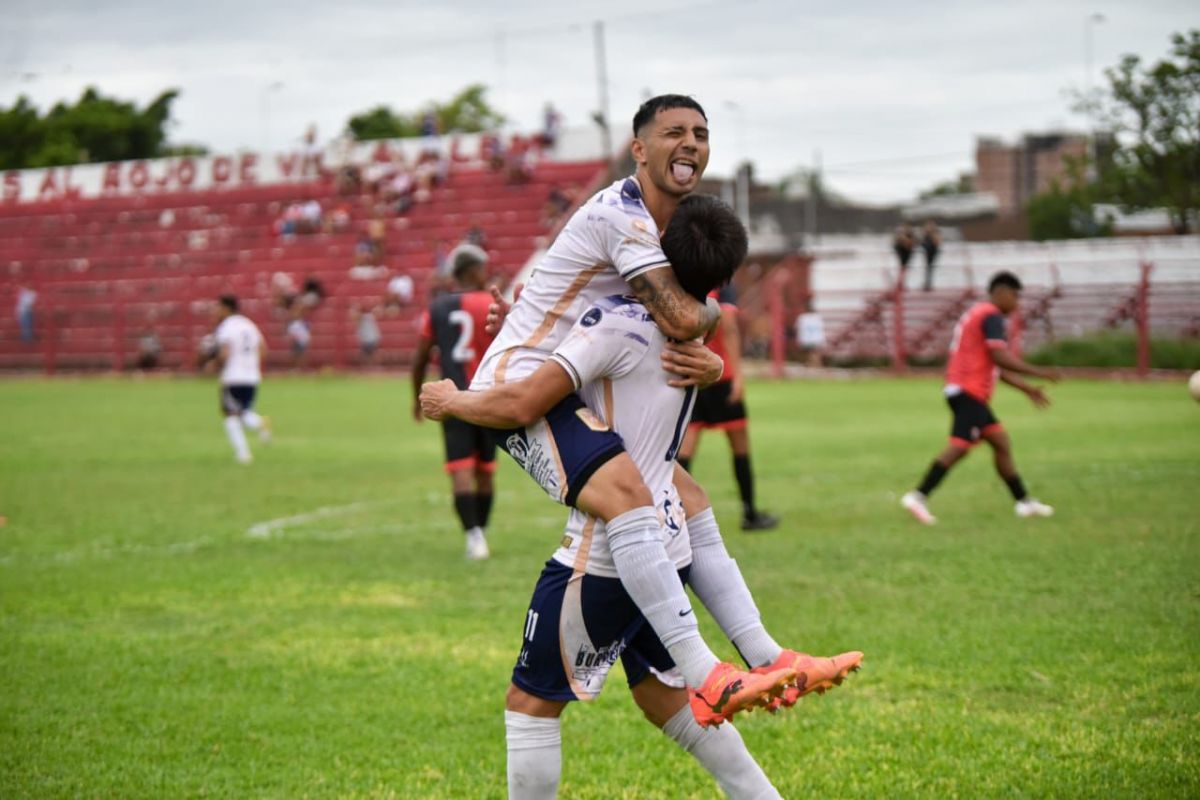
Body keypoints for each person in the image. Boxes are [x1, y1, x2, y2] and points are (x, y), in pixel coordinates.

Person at [423, 195, 861, 798]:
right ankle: (762, 693)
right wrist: (528, 319)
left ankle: (718, 669)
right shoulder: (691, 332)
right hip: (670, 543)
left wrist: (450, 400)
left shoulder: (617, 323)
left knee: (529, 704)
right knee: (664, 700)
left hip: (611, 556)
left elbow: (523, 402)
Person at [468, 94, 845, 728]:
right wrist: (713, 327)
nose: (691, 142)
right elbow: (678, 315)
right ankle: (711, 675)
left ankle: (768, 657)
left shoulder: (677, 230)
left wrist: (713, 355)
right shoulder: (625, 216)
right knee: (628, 496)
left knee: (685, 494)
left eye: (701, 132)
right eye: (674, 131)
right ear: (639, 149)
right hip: (522, 388)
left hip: (578, 379)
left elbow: (665, 311)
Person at [901, 271, 1060, 524]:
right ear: (1002, 293)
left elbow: (993, 365)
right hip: (969, 390)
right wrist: (1038, 371)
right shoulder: (991, 316)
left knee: (1000, 442)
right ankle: (917, 496)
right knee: (961, 446)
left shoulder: (978, 313)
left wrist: (1027, 388)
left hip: (964, 388)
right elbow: (999, 357)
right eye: (1015, 296)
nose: (1017, 304)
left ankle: (1024, 502)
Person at [411, 246, 499, 560]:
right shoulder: (493, 303)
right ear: (472, 271)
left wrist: (415, 399)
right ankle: (483, 533)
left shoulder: (437, 307)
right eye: (483, 267)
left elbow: (421, 357)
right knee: (486, 471)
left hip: (452, 400)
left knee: (461, 471)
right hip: (488, 399)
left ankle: (474, 538)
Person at [677, 285, 779, 531]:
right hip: (721, 374)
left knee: (687, 445)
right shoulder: (723, 285)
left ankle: (677, 516)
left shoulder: (687, 278)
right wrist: (738, 377)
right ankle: (749, 513)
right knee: (739, 443)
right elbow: (730, 326)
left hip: (694, 372)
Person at [208, 295, 271, 464]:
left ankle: (243, 454)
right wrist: (251, 365)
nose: (216, 311)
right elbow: (263, 349)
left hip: (233, 377)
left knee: (230, 415)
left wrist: (214, 365)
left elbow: (225, 352)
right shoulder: (249, 324)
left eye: (218, 307)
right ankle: (260, 424)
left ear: (226, 308)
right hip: (252, 376)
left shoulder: (226, 326)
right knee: (244, 413)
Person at [921, 220, 942, 292]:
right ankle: (927, 284)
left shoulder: (935, 234)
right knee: (928, 269)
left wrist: (932, 234)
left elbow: (937, 243)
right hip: (927, 252)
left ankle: (928, 284)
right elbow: (922, 244)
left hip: (932, 252)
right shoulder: (926, 235)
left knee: (930, 268)